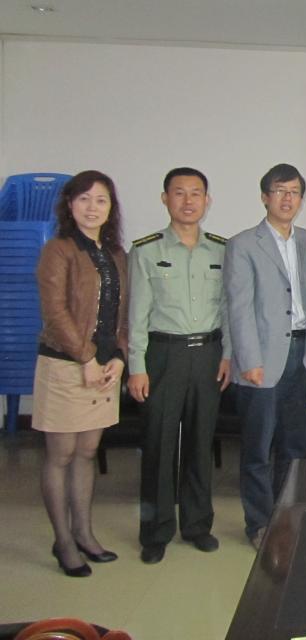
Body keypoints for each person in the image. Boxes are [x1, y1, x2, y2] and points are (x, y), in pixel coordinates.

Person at [126, 167, 232, 564]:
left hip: (208, 354)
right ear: (165, 199)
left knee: (201, 443)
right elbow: (136, 315)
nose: (188, 201)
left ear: (208, 200)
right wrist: (136, 365)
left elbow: (228, 309)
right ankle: (155, 531)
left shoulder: (222, 250)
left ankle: (197, 525)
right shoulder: (146, 250)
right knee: (159, 444)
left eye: (196, 193)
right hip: (163, 355)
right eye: (179, 193)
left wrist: (228, 355)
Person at [33, 170, 128, 577]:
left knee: (87, 452)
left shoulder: (116, 254)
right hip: (65, 364)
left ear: (111, 208)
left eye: (101, 200)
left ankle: (84, 533)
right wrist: (86, 358)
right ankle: (63, 541)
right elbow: (55, 312)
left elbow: (122, 313)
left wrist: (118, 357)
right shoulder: (58, 250)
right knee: (61, 455)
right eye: (84, 199)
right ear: (70, 205)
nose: (93, 207)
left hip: (103, 368)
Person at [225, 164, 306, 549]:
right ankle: (259, 523)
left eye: (294, 192)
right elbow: (238, 308)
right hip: (261, 358)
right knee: (258, 448)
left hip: (303, 354)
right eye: (280, 191)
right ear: (265, 197)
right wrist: (248, 359)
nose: (287, 198)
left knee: (296, 447)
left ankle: (287, 518)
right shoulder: (243, 244)